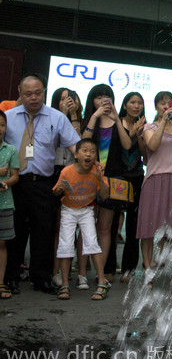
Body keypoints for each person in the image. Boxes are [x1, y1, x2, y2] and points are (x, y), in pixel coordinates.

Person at [3, 74, 79, 294]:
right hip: (15, 183)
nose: (34, 98)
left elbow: (74, 146)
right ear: (19, 92)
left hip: (44, 183)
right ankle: (10, 276)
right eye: (28, 94)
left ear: (44, 91)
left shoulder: (57, 117)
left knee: (43, 231)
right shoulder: (8, 117)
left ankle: (41, 278)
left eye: (38, 93)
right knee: (14, 231)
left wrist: (87, 165)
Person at [137, 91, 172, 287]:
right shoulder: (149, 127)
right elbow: (152, 146)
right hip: (155, 180)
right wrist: (162, 122)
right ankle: (147, 269)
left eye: (168, 103)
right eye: (162, 104)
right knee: (148, 227)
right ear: (156, 107)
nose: (165, 107)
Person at [78, 84, 132, 287]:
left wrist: (117, 119)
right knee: (85, 226)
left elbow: (127, 145)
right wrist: (95, 116)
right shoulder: (89, 120)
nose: (103, 101)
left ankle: (100, 273)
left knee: (105, 228)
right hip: (89, 178)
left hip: (112, 180)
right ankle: (82, 272)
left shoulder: (118, 120)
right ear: (92, 100)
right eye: (99, 97)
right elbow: (83, 144)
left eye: (106, 97)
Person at [52, 138, 111, 300]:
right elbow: (56, 192)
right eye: (84, 150)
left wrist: (100, 178)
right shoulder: (67, 171)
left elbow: (105, 196)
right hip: (68, 210)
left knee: (92, 243)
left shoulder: (96, 171)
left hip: (86, 210)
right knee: (65, 245)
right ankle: (64, 284)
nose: (89, 154)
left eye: (92, 152)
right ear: (76, 154)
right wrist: (60, 190)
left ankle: (101, 282)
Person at [49, 87, 83, 286]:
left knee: (66, 227)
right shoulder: (49, 119)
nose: (67, 101)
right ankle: (50, 269)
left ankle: (62, 271)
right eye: (62, 99)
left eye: (71, 99)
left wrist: (72, 116)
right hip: (51, 173)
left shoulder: (81, 120)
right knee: (50, 226)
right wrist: (61, 115)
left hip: (73, 175)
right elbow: (49, 141)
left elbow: (81, 147)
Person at [116, 92, 147, 283]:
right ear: (125, 105)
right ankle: (109, 267)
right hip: (117, 178)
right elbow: (122, 147)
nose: (136, 106)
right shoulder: (116, 122)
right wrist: (131, 132)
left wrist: (140, 134)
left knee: (134, 225)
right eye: (132, 102)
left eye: (140, 103)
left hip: (136, 177)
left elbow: (144, 154)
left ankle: (129, 268)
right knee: (111, 226)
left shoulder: (145, 125)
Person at [0, 110, 20, 300]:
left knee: (2, 243)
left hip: (4, 202)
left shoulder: (10, 150)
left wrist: (6, 182)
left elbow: (14, 175)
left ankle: (1, 283)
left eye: (2, 125)